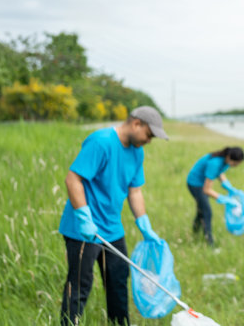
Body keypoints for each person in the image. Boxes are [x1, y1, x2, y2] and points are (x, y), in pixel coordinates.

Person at [58, 106, 168, 326]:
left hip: (112, 228)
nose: (149, 141)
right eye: (149, 135)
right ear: (137, 124)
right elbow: (73, 179)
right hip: (83, 230)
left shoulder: (137, 151)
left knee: (118, 280)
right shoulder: (101, 141)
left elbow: (134, 190)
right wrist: (83, 217)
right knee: (81, 283)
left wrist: (144, 224)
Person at [186, 146, 244, 246]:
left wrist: (228, 186)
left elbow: (220, 172)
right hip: (195, 184)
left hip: (201, 183)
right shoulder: (215, 163)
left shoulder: (225, 160)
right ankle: (210, 243)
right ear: (229, 157)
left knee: (201, 210)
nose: (234, 166)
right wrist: (224, 199)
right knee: (207, 212)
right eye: (234, 164)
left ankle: (194, 235)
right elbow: (206, 190)